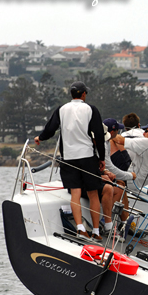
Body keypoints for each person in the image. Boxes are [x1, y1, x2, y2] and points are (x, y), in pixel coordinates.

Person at [34, 81, 105, 242]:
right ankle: (95, 230)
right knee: (93, 193)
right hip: (87, 156)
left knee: (75, 192)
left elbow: (50, 129)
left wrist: (40, 138)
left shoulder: (61, 109)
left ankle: (80, 228)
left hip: (69, 157)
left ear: (71, 94)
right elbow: (99, 135)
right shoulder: (91, 109)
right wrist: (101, 158)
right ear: (84, 94)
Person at [112, 121, 148, 200]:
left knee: (113, 140)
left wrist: (106, 132)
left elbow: (119, 140)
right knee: (124, 148)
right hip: (139, 185)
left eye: (146, 131)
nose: (143, 134)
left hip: (130, 179)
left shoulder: (147, 143)